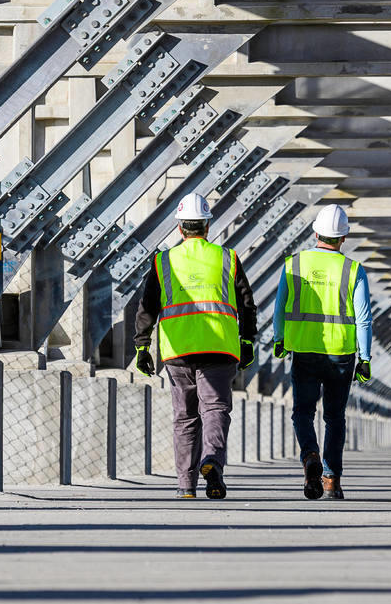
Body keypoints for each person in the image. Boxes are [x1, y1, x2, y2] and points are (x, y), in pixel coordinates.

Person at [132, 192, 256, 501]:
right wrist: (248, 340)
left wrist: (142, 346)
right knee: (214, 408)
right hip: (220, 346)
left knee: (184, 417)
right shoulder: (227, 257)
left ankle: (186, 486)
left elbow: (147, 305)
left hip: (179, 349)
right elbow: (247, 304)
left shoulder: (163, 261)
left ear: (179, 228)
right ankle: (212, 460)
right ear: (207, 226)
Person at [272, 202, 374, 501]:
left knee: (302, 413)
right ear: (344, 237)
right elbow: (364, 317)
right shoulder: (353, 269)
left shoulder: (294, 264)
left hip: (303, 349)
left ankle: (309, 456)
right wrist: (365, 358)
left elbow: (279, 308)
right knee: (335, 417)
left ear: (315, 232)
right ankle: (331, 480)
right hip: (341, 353)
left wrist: (279, 339)